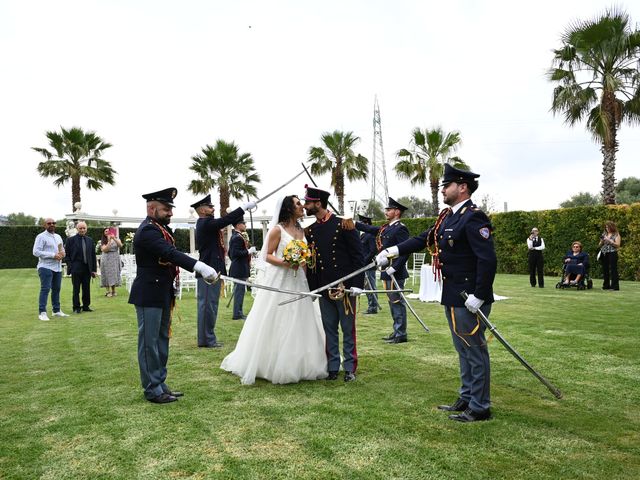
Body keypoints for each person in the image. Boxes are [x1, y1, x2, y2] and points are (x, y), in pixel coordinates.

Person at [376, 164, 497, 422]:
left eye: (447, 185)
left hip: (469, 297)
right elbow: (423, 238)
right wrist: (393, 251)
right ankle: (466, 397)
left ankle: (480, 406)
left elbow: (487, 259)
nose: (442, 189)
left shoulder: (473, 216)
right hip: (453, 294)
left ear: (462, 187)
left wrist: (481, 294)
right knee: (462, 350)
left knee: (474, 350)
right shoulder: (448, 216)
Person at [221, 195, 327, 384]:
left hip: (299, 281)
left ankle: (304, 360)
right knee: (276, 316)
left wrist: (304, 262)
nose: (302, 206)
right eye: (297, 204)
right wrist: (286, 262)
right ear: (288, 209)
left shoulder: (303, 230)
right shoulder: (278, 230)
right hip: (280, 279)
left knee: (302, 317)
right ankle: (271, 362)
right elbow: (268, 255)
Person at [128, 187, 218, 404]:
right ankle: (152, 389)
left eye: (170, 209)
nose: (169, 212)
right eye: (165, 208)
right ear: (151, 208)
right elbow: (169, 254)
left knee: (161, 340)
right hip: (149, 293)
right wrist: (199, 266)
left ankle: (160, 383)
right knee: (149, 343)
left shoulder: (159, 228)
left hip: (162, 291)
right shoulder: (149, 230)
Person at [303, 185, 365, 382]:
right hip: (324, 287)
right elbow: (313, 264)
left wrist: (357, 285)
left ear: (318, 203)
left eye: (308, 202)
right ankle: (332, 367)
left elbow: (358, 257)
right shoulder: (310, 230)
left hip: (344, 287)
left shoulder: (343, 224)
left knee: (348, 329)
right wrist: (312, 289)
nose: (305, 206)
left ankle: (349, 368)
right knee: (329, 328)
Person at [190, 194, 255, 348]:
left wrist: (242, 210)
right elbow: (225, 220)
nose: (213, 208)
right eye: (210, 206)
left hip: (213, 270)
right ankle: (206, 339)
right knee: (207, 307)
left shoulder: (207, 222)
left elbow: (226, 220)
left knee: (211, 306)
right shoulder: (205, 223)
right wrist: (243, 208)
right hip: (208, 272)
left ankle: (208, 337)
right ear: (202, 210)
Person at [356, 198, 410, 343]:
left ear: (397, 212)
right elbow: (373, 230)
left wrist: (394, 267)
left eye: (389, 209)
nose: (386, 212)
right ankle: (397, 330)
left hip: (395, 271)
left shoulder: (400, 228)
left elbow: (405, 251)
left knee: (397, 301)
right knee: (392, 302)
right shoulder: (388, 227)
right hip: (386, 270)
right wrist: (355, 224)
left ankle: (401, 333)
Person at [33, 218, 69, 321]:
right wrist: (52, 255)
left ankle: (56, 310)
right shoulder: (41, 237)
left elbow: (61, 249)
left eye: (54, 223)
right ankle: (42, 312)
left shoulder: (58, 237)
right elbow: (36, 252)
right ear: (44, 225)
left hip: (57, 267)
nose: (52, 224)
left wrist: (62, 254)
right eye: (49, 223)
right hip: (45, 266)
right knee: (45, 289)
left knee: (56, 289)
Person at [64, 221, 98, 313]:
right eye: (80, 228)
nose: (82, 230)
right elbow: (66, 256)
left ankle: (86, 306)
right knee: (76, 289)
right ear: (77, 229)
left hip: (87, 269)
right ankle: (76, 307)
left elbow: (92, 256)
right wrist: (71, 266)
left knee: (86, 289)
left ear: (86, 229)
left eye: (84, 228)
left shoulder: (90, 240)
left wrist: (94, 270)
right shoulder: (70, 240)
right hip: (76, 268)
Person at [228, 218, 257, 320]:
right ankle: (237, 314)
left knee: (239, 291)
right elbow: (235, 253)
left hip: (239, 267)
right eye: (244, 224)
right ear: (238, 225)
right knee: (239, 292)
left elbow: (230, 253)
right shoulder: (237, 237)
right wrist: (248, 251)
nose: (245, 225)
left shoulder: (237, 236)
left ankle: (238, 312)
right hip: (239, 268)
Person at [357, 213, 381, 315]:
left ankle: (373, 307)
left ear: (366, 223)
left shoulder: (370, 235)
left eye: (362, 222)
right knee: (367, 286)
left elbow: (372, 251)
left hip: (369, 264)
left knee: (370, 286)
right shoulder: (363, 235)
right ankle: (372, 305)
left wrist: (364, 262)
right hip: (364, 264)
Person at [100, 227, 123, 297]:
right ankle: (108, 291)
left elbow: (120, 245)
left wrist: (114, 238)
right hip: (106, 258)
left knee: (114, 273)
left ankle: (113, 290)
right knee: (106, 273)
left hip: (114, 258)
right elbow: (105, 250)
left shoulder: (115, 238)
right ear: (104, 233)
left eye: (108, 231)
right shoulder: (103, 241)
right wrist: (109, 241)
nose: (107, 232)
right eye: (105, 231)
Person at [599, 221, 621, 290]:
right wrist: (602, 241)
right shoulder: (604, 234)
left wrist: (610, 241)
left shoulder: (616, 234)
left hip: (612, 253)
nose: (607, 228)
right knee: (605, 269)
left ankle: (614, 286)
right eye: (606, 227)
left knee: (613, 269)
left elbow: (618, 245)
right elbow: (599, 244)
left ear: (612, 227)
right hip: (604, 252)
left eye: (608, 227)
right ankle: (606, 285)